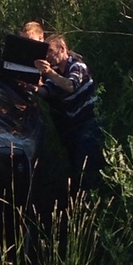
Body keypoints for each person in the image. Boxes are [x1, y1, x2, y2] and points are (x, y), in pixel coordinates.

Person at [34, 34, 105, 194]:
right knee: (75, 164)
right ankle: (78, 197)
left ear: (62, 49)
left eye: (51, 51)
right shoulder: (58, 71)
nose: (48, 56)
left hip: (90, 120)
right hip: (73, 124)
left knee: (86, 163)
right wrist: (32, 87)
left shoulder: (77, 66)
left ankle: (92, 197)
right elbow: (47, 92)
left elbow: (70, 85)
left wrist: (49, 72)